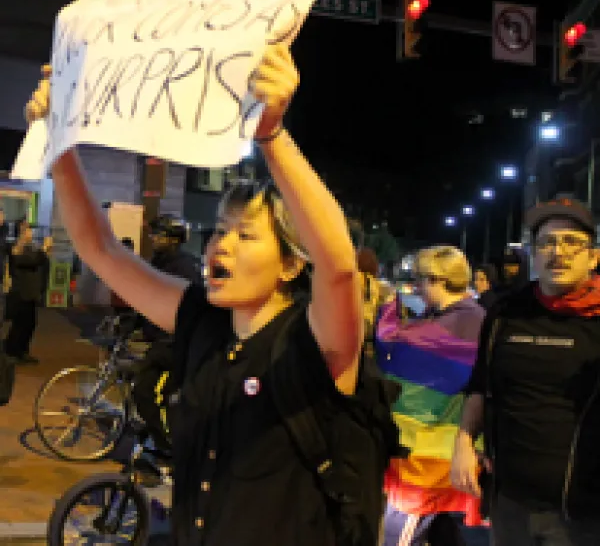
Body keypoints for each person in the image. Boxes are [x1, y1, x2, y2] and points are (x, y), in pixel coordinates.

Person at [26, 46, 399, 546]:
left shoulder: (315, 342)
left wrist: (271, 134)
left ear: (291, 263)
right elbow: (100, 249)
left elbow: (337, 268)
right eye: (220, 230)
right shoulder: (201, 320)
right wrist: (60, 144)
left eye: (245, 235)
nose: (220, 244)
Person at [451, 197, 600, 546]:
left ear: (594, 257)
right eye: (546, 242)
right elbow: (481, 383)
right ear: (534, 254)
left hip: (584, 513)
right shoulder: (505, 312)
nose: (557, 252)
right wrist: (463, 442)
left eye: (571, 242)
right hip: (510, 503)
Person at [379, 246, 486, 546]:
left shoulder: (466, 322)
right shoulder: (451, 316)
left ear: (439, 280)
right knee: (439, 531)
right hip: (432, 448)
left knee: (399, 534)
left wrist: (386, 307)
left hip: (432, 453)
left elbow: (394, 343)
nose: (416, 288)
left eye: (420, 280)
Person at [132, 216, 201, 453]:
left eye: (159, 235)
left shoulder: (183, 268)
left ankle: (169, 447)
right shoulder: (160, 262)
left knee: (148, 391)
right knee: (149, 391)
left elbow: (191, 308)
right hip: (162, 338)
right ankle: (159, 435)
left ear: (173, 240)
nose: (153, 238)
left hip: (173, 343)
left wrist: (172, 337)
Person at [5, 221, 49, 364]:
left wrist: (43, 252)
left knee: (28, 324)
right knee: (21, 324)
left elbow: (39, 261)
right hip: (21, 294)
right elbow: (31, 261)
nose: (31, 233)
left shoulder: (29, 247)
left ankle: (20, 350)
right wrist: (44, 249)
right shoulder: (17, 249)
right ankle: (14, 351)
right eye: (28, 231)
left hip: (29, 293)